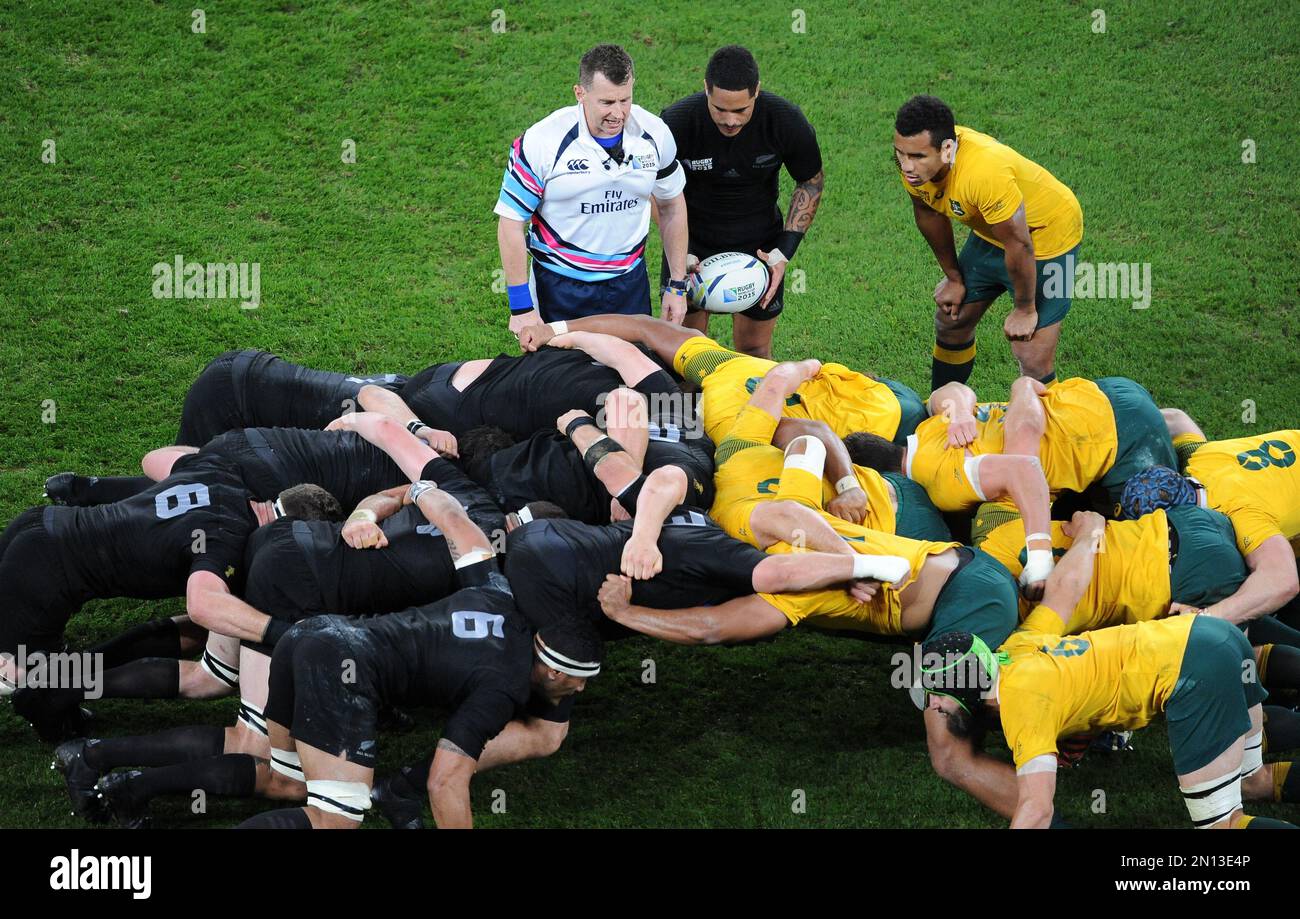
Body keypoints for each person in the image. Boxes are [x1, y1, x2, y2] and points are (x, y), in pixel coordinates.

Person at [237, 481, 604, 830]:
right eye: (582, 680)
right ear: (555, 673)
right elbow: (444, 782)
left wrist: (420, 490)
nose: (582, 690)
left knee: (286, 781)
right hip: (339, 666)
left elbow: (454, 521)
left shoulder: (496, 592)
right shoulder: (502, 688)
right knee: (332, 821)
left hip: (306, 634)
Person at [918, 510, 1300, 829]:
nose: (933, 705)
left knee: (1224, 825)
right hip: (1212, 632)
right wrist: (1090, 534)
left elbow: (1037, 809)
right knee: (1252, 781)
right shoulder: (1016, 646)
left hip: (1195, 668)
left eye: (936, 698)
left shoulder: (1022, 711)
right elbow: (1066, 589)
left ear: (959, 701)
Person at [0, 453, 341, 739]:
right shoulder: (229, 538)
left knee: (49, 677)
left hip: (41, 523)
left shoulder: (224, 474)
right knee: (27, 686)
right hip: (42, 571)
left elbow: (155, 460)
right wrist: (285, 633)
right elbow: (202, 605)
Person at [495, 44, 689, 334]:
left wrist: (677, 284)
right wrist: (521, 307)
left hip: (628, 284)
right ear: (580, 93)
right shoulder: (542, 141)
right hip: (559, 285)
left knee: (634, 375)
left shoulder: (655, 134)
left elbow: (671, 206)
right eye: (607, 102)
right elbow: (511, 222)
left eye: (625, 100)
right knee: (559, 377)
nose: (618, 113)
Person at [893, 95, 1083, 390]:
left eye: (917, 157)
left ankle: (1050, 432)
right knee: (951, 320)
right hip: (994, 232)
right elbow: (928, 212)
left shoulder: (983, 173)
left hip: (1046, 233)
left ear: (946, 149)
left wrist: (1024, 309)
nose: (906, 166)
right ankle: (940, 415)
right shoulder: (916, 164)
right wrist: (954, 277)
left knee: (1030, 352)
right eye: (900, 154)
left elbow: (1020, 245)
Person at [660, 45, 824, 359]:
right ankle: (687, 408)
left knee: (753, 351)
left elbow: (811, 180)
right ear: (705, 89)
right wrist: (680, 252)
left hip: (759, 247)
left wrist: (784, 250)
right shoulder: (676, 123)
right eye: (720, 109)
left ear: (757, 92)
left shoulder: (785, 120)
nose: (731, 120)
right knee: (683, 353)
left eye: (741, 110)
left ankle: (753, 409)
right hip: (691, 245)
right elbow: (657, 191)